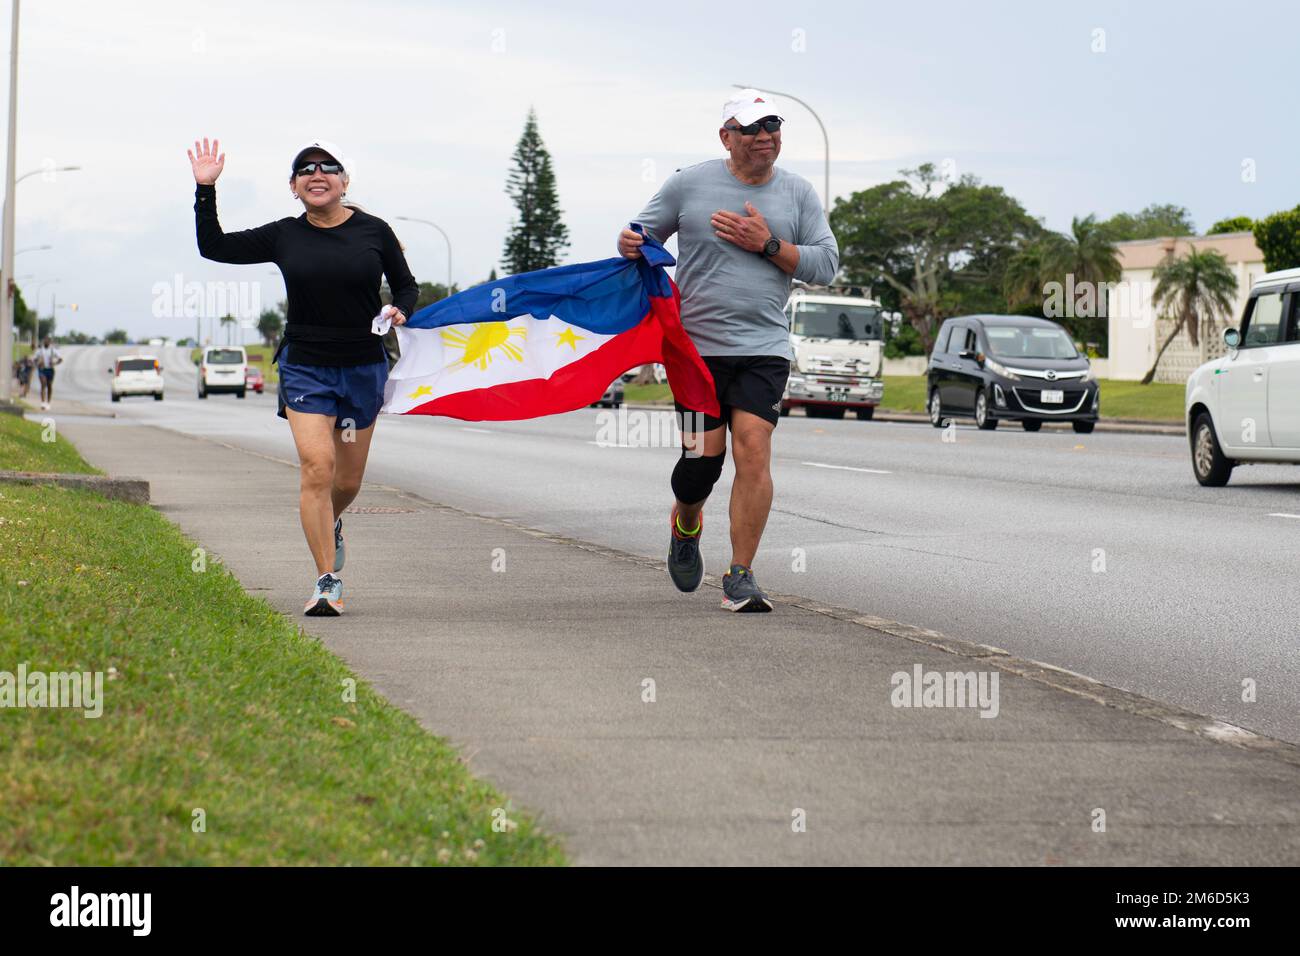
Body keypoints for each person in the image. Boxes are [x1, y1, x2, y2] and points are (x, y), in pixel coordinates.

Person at [617, 90, 839, 612]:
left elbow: (826, 265)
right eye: (751, 129)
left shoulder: (799, 193)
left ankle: (740, 575)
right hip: (696, 349)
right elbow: (639, 235)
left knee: (753, 449)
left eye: (772, 126)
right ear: (726, 137)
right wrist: (628, 242)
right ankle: (686, 522)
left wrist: (765, 243)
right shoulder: (688, 184)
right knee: (702, 462)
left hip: (763, 348)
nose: (764, 136)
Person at [188, 137, 418, 616]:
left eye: (328, 167)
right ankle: (326, 580)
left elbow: (406, 283)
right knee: (317, 466)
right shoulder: (284, 235)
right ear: (294, 188)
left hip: (361, 366)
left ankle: (329, 521)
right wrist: (205, 189)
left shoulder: (375, 231)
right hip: (306, 366)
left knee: (347, 481)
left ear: (344, 181)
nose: (317, 174)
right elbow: (214, 247)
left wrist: (401, 308)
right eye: (305, 170)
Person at [34, 337, 62, 409]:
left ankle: (48, 403)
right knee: (43, 384)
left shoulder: (53, 350)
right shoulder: (40, 350)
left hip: (50, 370)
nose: (46, 342)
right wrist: (38, 362)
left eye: (47, 341)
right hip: (42, 369)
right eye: (45, 341)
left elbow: (60, 359)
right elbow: (34, 359)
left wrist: (54, 363)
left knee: (49, 386)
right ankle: (43, 403)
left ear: (50, 342)